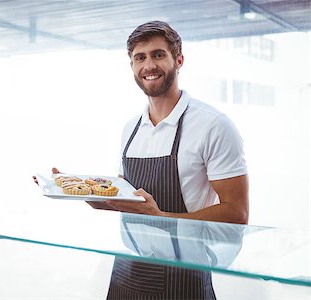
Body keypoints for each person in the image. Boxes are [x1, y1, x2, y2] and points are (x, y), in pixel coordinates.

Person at [47, 20, 248, 300]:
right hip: (128, 271)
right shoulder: (130, 129)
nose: (148, 65)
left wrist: (162, 218)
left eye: (158, 55)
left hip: (185, 277)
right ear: (131, 66)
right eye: (139, 58)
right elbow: (129, 200)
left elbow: (237, 214)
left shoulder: (213, 125)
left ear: (179, 60)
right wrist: (86, 193)